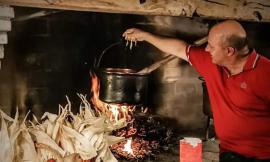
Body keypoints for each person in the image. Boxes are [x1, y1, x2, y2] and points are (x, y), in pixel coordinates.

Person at [122, 20, 270, 162]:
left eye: (211, 46)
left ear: (229, 51)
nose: (206, 49)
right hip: (230, 153)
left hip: (263, 156)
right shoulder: (212, 63)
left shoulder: (266, 73)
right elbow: (180, 48)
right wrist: (145, 35)